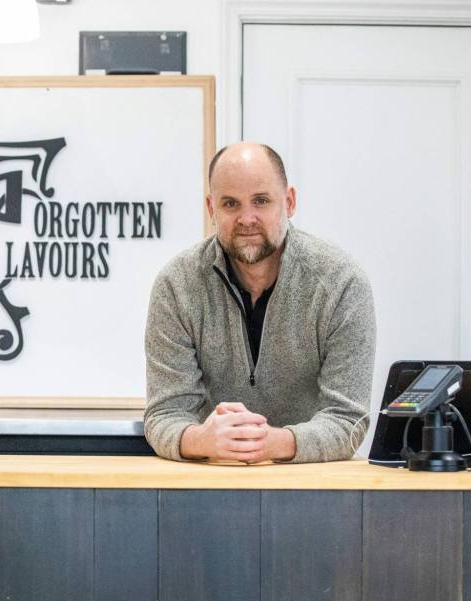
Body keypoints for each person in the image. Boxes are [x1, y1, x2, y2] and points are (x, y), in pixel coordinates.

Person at [144, 142, 375, 463]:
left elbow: (349, 421)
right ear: (211, 209)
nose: (246, 218)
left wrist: (270, 443)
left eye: (261, 201)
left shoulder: (341, 283)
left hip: (313, 481)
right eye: (230, 204)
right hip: (210, 478)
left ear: (289, 202)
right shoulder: (176, 285)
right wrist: (201, 440)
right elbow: (165, 414)